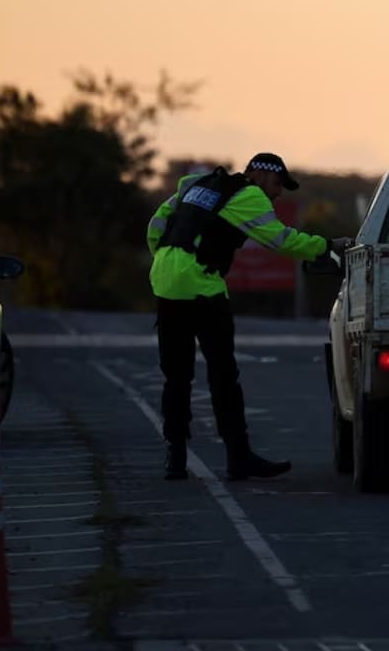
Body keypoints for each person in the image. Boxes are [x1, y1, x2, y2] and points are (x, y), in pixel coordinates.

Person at [147, 153, 351, 480]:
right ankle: (238, 457)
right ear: (257, 173)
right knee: (223, 374)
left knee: (176, 375)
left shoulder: (196, 185)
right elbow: (280, 240)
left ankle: (175, 458)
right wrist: (327, 245)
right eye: (277, 183)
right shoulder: (248, 195)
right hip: (202, 285)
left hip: (165, 281)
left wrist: (165, 259)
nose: (279, 193)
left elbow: (156, 223)